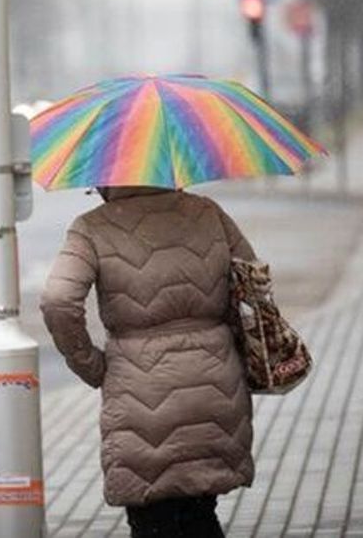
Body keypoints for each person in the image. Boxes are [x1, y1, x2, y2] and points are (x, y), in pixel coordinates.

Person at [40, 185, 260, 537]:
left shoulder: (92, 227)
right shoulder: (207, 212)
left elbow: (57, 300)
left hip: (139, 393)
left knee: (154, 520)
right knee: (198, 511)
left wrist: (91, 365)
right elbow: (253, 283)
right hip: (215, 385)